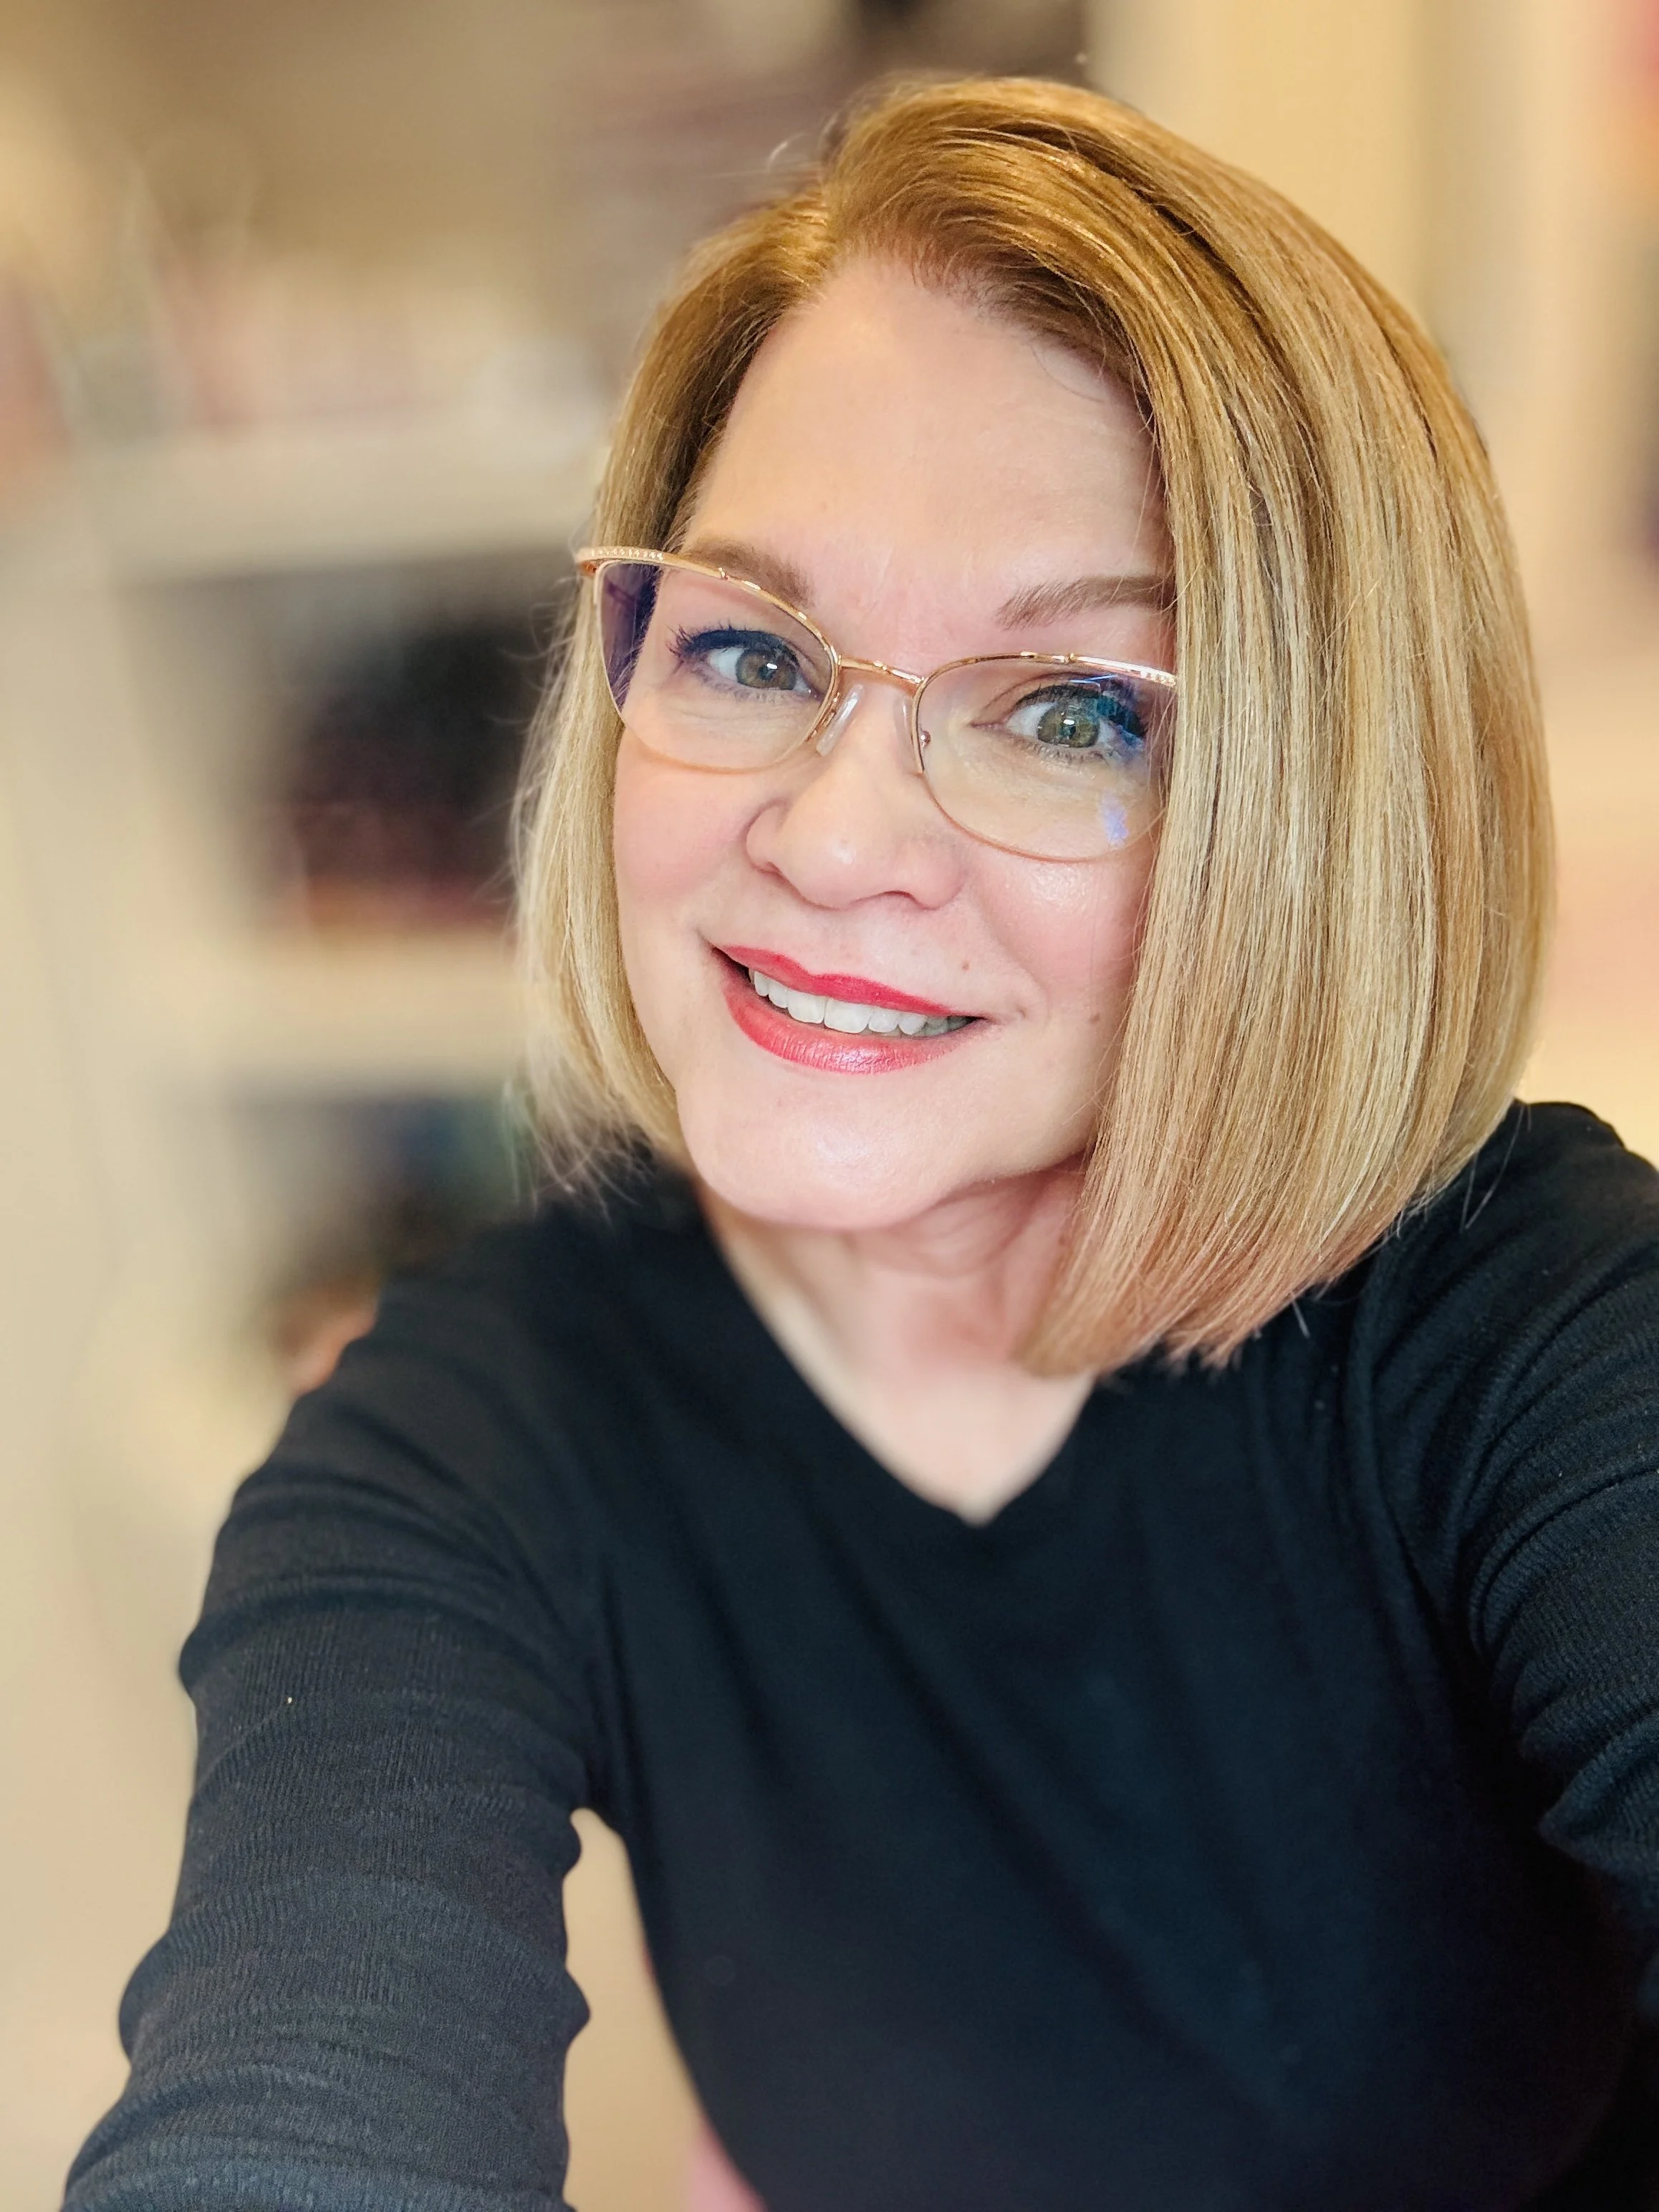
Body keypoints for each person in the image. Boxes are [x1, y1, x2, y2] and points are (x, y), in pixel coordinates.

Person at [64, 74, 1659, 2212]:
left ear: (1323, 816)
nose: (823, 839)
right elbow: (298, 2081)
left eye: (1073, 710)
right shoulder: (469, 1436)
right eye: (747, 647)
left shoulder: (1534, 1327)